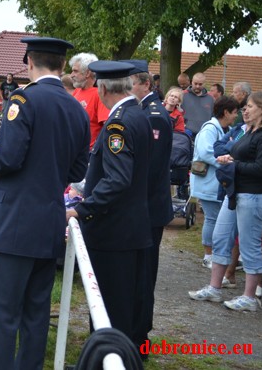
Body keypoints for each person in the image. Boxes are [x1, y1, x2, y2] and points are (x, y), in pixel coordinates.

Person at [0, 37, 90, 370]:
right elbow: (78, 169)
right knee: (35, 315)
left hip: (13, 222)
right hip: (49, 220)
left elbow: (7, 159)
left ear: (29, 62)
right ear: (62, 66)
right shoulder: (76, 107)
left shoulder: (23, 99)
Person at [66, 60, 152, 350]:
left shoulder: (118, 122)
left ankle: (109, 359)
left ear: (102, 88)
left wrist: (82, 208)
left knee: (110, 310)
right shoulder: (138, 114)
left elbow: (117, 179)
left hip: (113, 232)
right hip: (129, 227)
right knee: (123, 307)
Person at [189, 91, 262, 312]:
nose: (245, 109)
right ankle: (214, 287)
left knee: (249, 246)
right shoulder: (245, 131)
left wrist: (232, 164)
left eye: (250, 106)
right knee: (220, 237)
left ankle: (250, 296)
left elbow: (261, 169)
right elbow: (223, 147)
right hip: (234, 194)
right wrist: (227, 158)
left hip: (252, 196)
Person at [124, 60, 173, 350]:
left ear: (144, 84)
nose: (128, 89)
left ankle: (139, 339)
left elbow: (149, 169)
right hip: (146, 208)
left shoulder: (153, 115)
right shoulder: (146, 111)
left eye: (131, 83)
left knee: (143, 275)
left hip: (148, 209)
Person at [190, 96, 239, 268]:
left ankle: (218, 254)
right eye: (234, 112)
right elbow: (205, 152)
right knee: (212, 218)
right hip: (208, 182)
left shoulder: (227, 129)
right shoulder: (210, 129)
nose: (236, 115)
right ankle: (208, 255)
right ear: (225, 112)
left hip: (217, 183)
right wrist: (226, 160)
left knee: (217, 219)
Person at [69, 52, 110, 148]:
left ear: (87, 73)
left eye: (75, 71)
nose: (71, 75)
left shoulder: (99, 94)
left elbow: (106, 127)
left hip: (89, 154)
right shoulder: (76, 91)